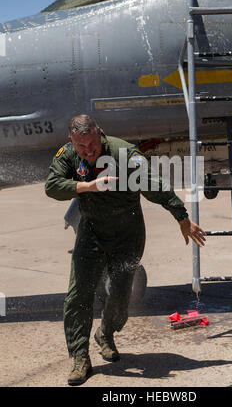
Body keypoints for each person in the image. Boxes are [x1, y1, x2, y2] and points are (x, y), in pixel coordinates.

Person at [45, 114, 206, 386]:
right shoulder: (69, 154)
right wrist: (86, 187)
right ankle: (80, 358)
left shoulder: (124, 154)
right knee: (78, 295)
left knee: (120, 298)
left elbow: (155, 185)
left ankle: (106, 333)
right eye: (82, 146)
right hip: (92, 234)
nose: (88, 151)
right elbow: (52, 186)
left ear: (100, 133)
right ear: (71, 140)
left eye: (93, 145)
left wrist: (181, 216)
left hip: (127, 237)